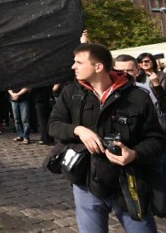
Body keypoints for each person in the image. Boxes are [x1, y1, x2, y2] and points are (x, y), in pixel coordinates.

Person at [48, 43, 166, 232]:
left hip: (130, 182)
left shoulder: (138, 97)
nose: (73, 66)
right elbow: (53, 125)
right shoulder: (71, 93)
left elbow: (157, 140)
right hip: (87, 182)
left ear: (98, 67)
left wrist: (134, 154)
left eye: (78, 62)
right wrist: (78, 130)